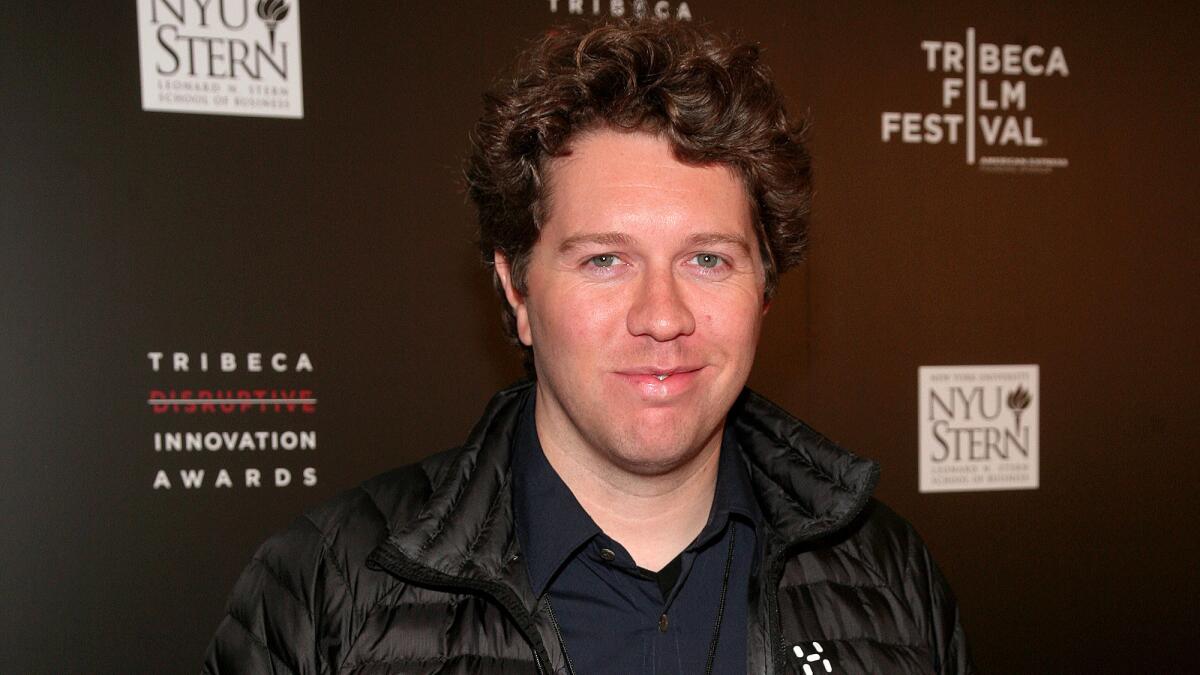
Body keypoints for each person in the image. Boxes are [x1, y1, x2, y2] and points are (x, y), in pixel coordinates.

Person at [203, 19, 973, 675]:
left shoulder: (889, 577)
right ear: (517, 290)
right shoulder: (324, 589)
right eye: (605, 259)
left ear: (763, 289)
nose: (662, 316)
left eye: (708, 258)